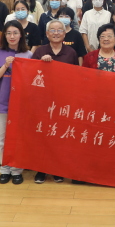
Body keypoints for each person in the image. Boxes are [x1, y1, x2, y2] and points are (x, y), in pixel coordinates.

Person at [31, 19, 79, 184]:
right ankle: (41, 170)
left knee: (59, 135)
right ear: (47, 33)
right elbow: (31, 74)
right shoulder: (40, 51)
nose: (56, 33)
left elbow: (76, 77)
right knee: (43, 135)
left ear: (65, 34)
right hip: (43, 101)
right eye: (52, 30)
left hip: (63, 101)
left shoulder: (71, 52)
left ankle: (57, 169)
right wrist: (41, 64)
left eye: (59, 30)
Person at [0, 20, 33, 185]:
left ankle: (16, 170)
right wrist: (6, 65)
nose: (12, 36)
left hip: (20, 104)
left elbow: (32, 80)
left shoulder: (28, 55)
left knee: (17, 139)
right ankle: (4, 168)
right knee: (0, 138)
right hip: (0, 102)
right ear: (4, 36)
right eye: (8, 33)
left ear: (21, 35)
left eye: (15, 33)